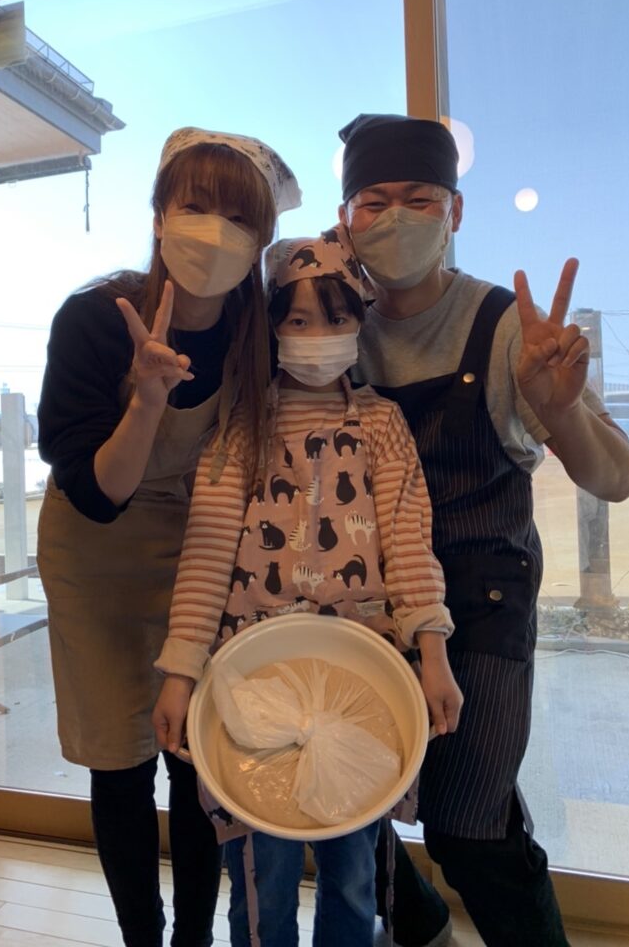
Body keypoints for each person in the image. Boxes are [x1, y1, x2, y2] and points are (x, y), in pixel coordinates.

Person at [335, 112, 629, 947]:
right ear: (345, 221)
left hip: (484, 600)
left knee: (471, 827)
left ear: (456, 213)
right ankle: (422, 929)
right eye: (373, 201)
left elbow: (616, 478)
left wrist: (558, 410)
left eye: (420, 199)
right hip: (362, 600)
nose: (396, 218)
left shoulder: (507, 326)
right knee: (344, 799)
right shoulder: (330, 325)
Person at [151, 226, 464, 947]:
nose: (318, 337)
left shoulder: (382, 426)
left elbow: (409, 541)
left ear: (359, 321)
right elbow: (204, 558)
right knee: (263, 872)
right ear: (272, 328)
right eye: (297, 320)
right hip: (253, 681)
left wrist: (433, 653)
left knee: (354, 871)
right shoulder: (240, 429)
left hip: (363, 678)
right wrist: (180, 673)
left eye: (335, 318)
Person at [36, 125, 301, 947]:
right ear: (158, 216)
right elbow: (100, 493)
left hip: (202, 554)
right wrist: (147, 399)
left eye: (240, 219)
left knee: (195, 760)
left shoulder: (256, 332)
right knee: (120, 764)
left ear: (262, 241)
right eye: (196, 207)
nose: (215, 232)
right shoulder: (94, 319)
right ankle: (142, 937)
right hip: (98, 558)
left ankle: (193, 936)